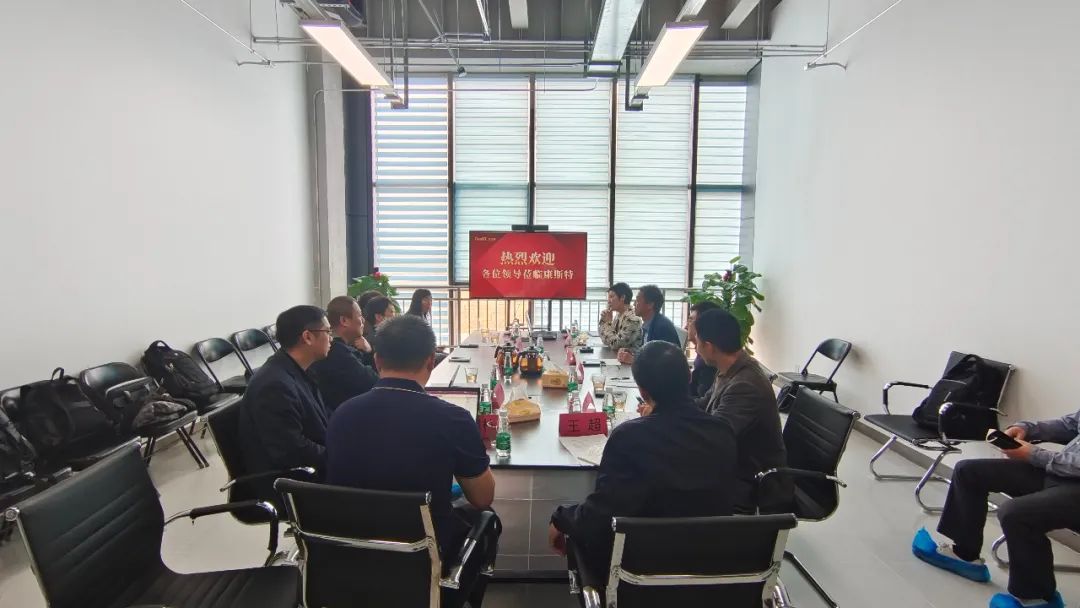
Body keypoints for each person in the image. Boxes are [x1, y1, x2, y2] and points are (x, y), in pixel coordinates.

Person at [326, 315, 499, 590]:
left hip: (351, 553)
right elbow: (482, 497)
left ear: (377, 360)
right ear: (431, 361)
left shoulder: (342, 414)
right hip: (423, 554)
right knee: (487, 517)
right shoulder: (452, 419)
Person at [548, 341, 737, 580]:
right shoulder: (722, 432)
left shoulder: (629, 437)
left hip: (639, 574)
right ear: (689, 376)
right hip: (711, 569)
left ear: (643, 391)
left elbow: (602, 514)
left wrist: (560, 519)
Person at [912, 412, 1080, 608]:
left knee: (1016, 514)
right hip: (1060, 474)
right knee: (968, 471)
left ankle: (1038, 598)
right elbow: (1070, 424)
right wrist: (1025, 429)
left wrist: (1034, 455)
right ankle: (964, 555)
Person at [695, 308, 790, 514]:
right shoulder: (729, 367)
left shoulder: (745, 384)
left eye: (697, 343)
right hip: (736, 459)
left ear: (709, 347)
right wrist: (667, 407)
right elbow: (704, 404)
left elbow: (715, 437)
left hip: (753, 478)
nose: (696, 350)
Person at [238, 305, 332, 499]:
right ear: (308, 337)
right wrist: (340, 455)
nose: (331, 338)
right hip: (291, 484)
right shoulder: (274, 386)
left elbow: (322, 417)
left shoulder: (296, 370)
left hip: (312, 467)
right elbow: (292, 450)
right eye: (327, 332)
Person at [309, 296, 380, 412]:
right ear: (344, 321)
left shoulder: (343, 348)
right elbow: (375, 382)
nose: (363, 321)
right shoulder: (337, 353)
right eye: (359, 316)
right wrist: (370, 354)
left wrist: (368, 351)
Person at [616, 284, 680, 365]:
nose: (634, 304)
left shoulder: (662, 327)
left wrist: (634, 360)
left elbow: (664, 363)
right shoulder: (649, 323)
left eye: (637, 300)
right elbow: (648, 353)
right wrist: (632, 353)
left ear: (650, 305)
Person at [687, 300, 721, 400]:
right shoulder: (702, 353)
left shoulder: (710, 361)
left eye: (690, 321)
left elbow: (703, 402)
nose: (686, 326)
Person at [598, 282, 643, 351]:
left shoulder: (633, 319)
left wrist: (608, 323)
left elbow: (615, 344)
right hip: (615, 355)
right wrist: (603, 321)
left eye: (611, 297)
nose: (608, 301)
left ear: (622, 297)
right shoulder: (618, 315)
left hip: (629, 357)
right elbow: (606, 340)